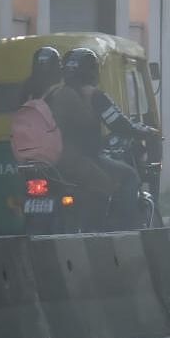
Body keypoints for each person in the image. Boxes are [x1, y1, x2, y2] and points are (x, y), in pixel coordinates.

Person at [45, 48, 160, 229]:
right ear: (91, 71)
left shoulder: (55, 94)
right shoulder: (93, 95)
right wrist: (146, 132)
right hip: (80, 160)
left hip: (50, 162)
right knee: (129, 177)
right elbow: (119, 124)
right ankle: (125, 231)